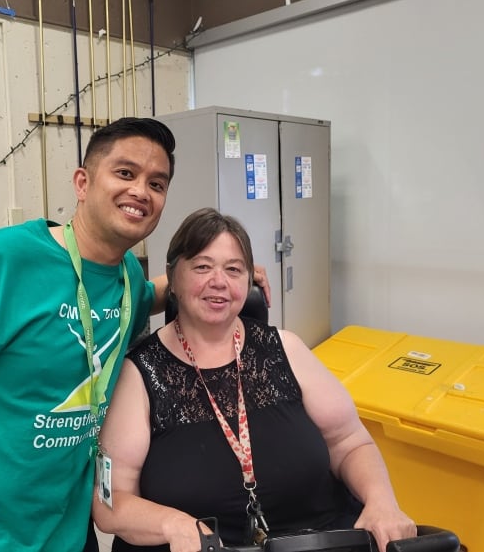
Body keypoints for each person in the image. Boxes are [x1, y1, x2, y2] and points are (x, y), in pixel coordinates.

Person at [0, 118, 269, 552]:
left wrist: (227, 275)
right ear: (82, 182)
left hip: (67, 533)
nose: (141, 190)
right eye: (125, 173)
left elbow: (153, 292)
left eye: (157, 183)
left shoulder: (125, 282)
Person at [91, 208, 415, 552]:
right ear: (173, 276)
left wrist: (381, 501)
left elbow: (350, 442)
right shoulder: (141, 373)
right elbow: (110, 502)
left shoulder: (285, 348)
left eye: (234, 269)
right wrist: (172, 524)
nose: (219, 281)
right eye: (202, 266)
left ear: (248, 281)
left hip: (318, 541)